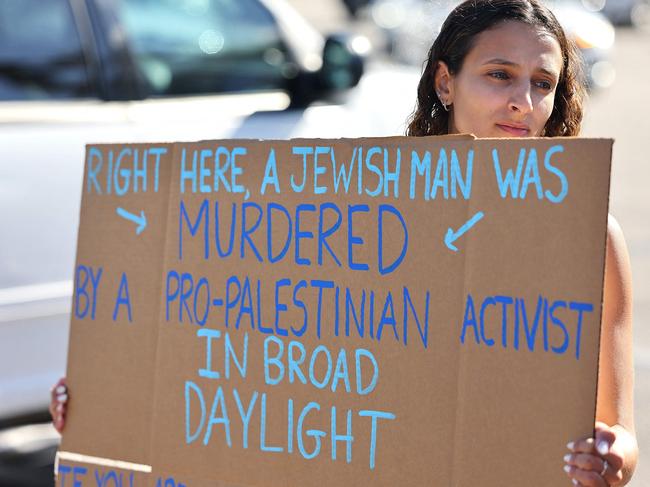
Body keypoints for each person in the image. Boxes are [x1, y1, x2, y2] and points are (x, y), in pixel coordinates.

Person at [52, 0, 638, 485]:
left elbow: (622, 435)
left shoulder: (587, 238)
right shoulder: (362, 217)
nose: (524, 103)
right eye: (499, 74)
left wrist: (609, 459)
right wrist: (100, 402)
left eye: (544, 83)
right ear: (445, 81)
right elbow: (249, 376)